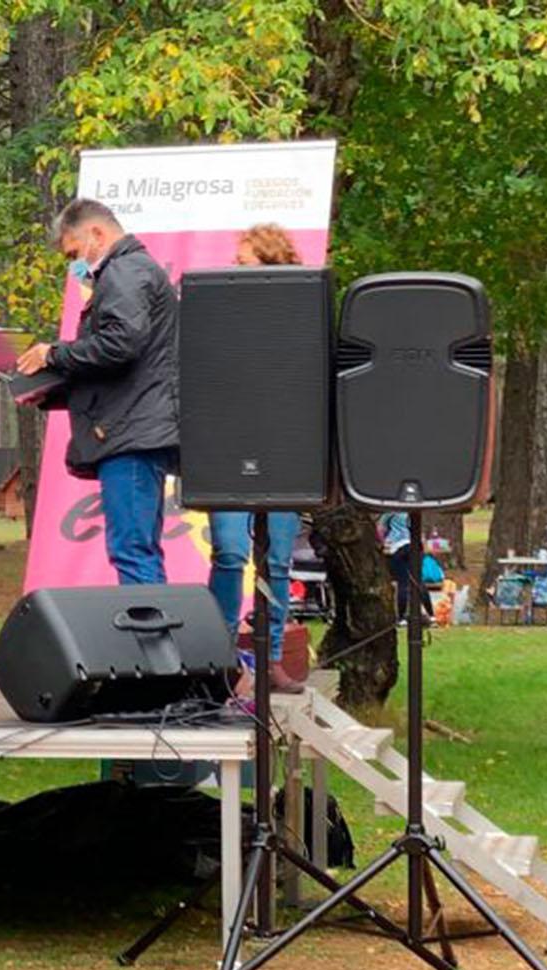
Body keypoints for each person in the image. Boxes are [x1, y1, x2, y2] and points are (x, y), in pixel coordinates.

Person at [17, 198, 180, 585]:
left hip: (131, 432)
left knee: (132, 550)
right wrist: (51, 393)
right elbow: (119, 362)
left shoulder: (124, 271)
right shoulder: (132, 270)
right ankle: (150, 622)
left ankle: (147, 625)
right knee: (138, 547)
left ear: (96, 233)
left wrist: (53, 355)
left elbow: (121, 344)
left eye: (74, 253)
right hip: (135, 425)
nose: (74, 263)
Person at [208, 224, 306, 694]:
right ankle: (221, 659)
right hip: (228, 450)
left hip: (282, 451)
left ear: (272, 267)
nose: (235, 269)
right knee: (229, 553)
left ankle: (271, 659)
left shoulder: (298, 319)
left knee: (279, 560)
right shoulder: (220, 316)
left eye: (244, 262)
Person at [378, 512, 435, 624]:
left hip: (396, 547)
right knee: (418, 581)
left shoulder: (389, 512)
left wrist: (383, 543)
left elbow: (380, 529)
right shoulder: (411, 511)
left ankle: (402, 617)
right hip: (413, 546)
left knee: (403, 583)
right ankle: (431, 614)